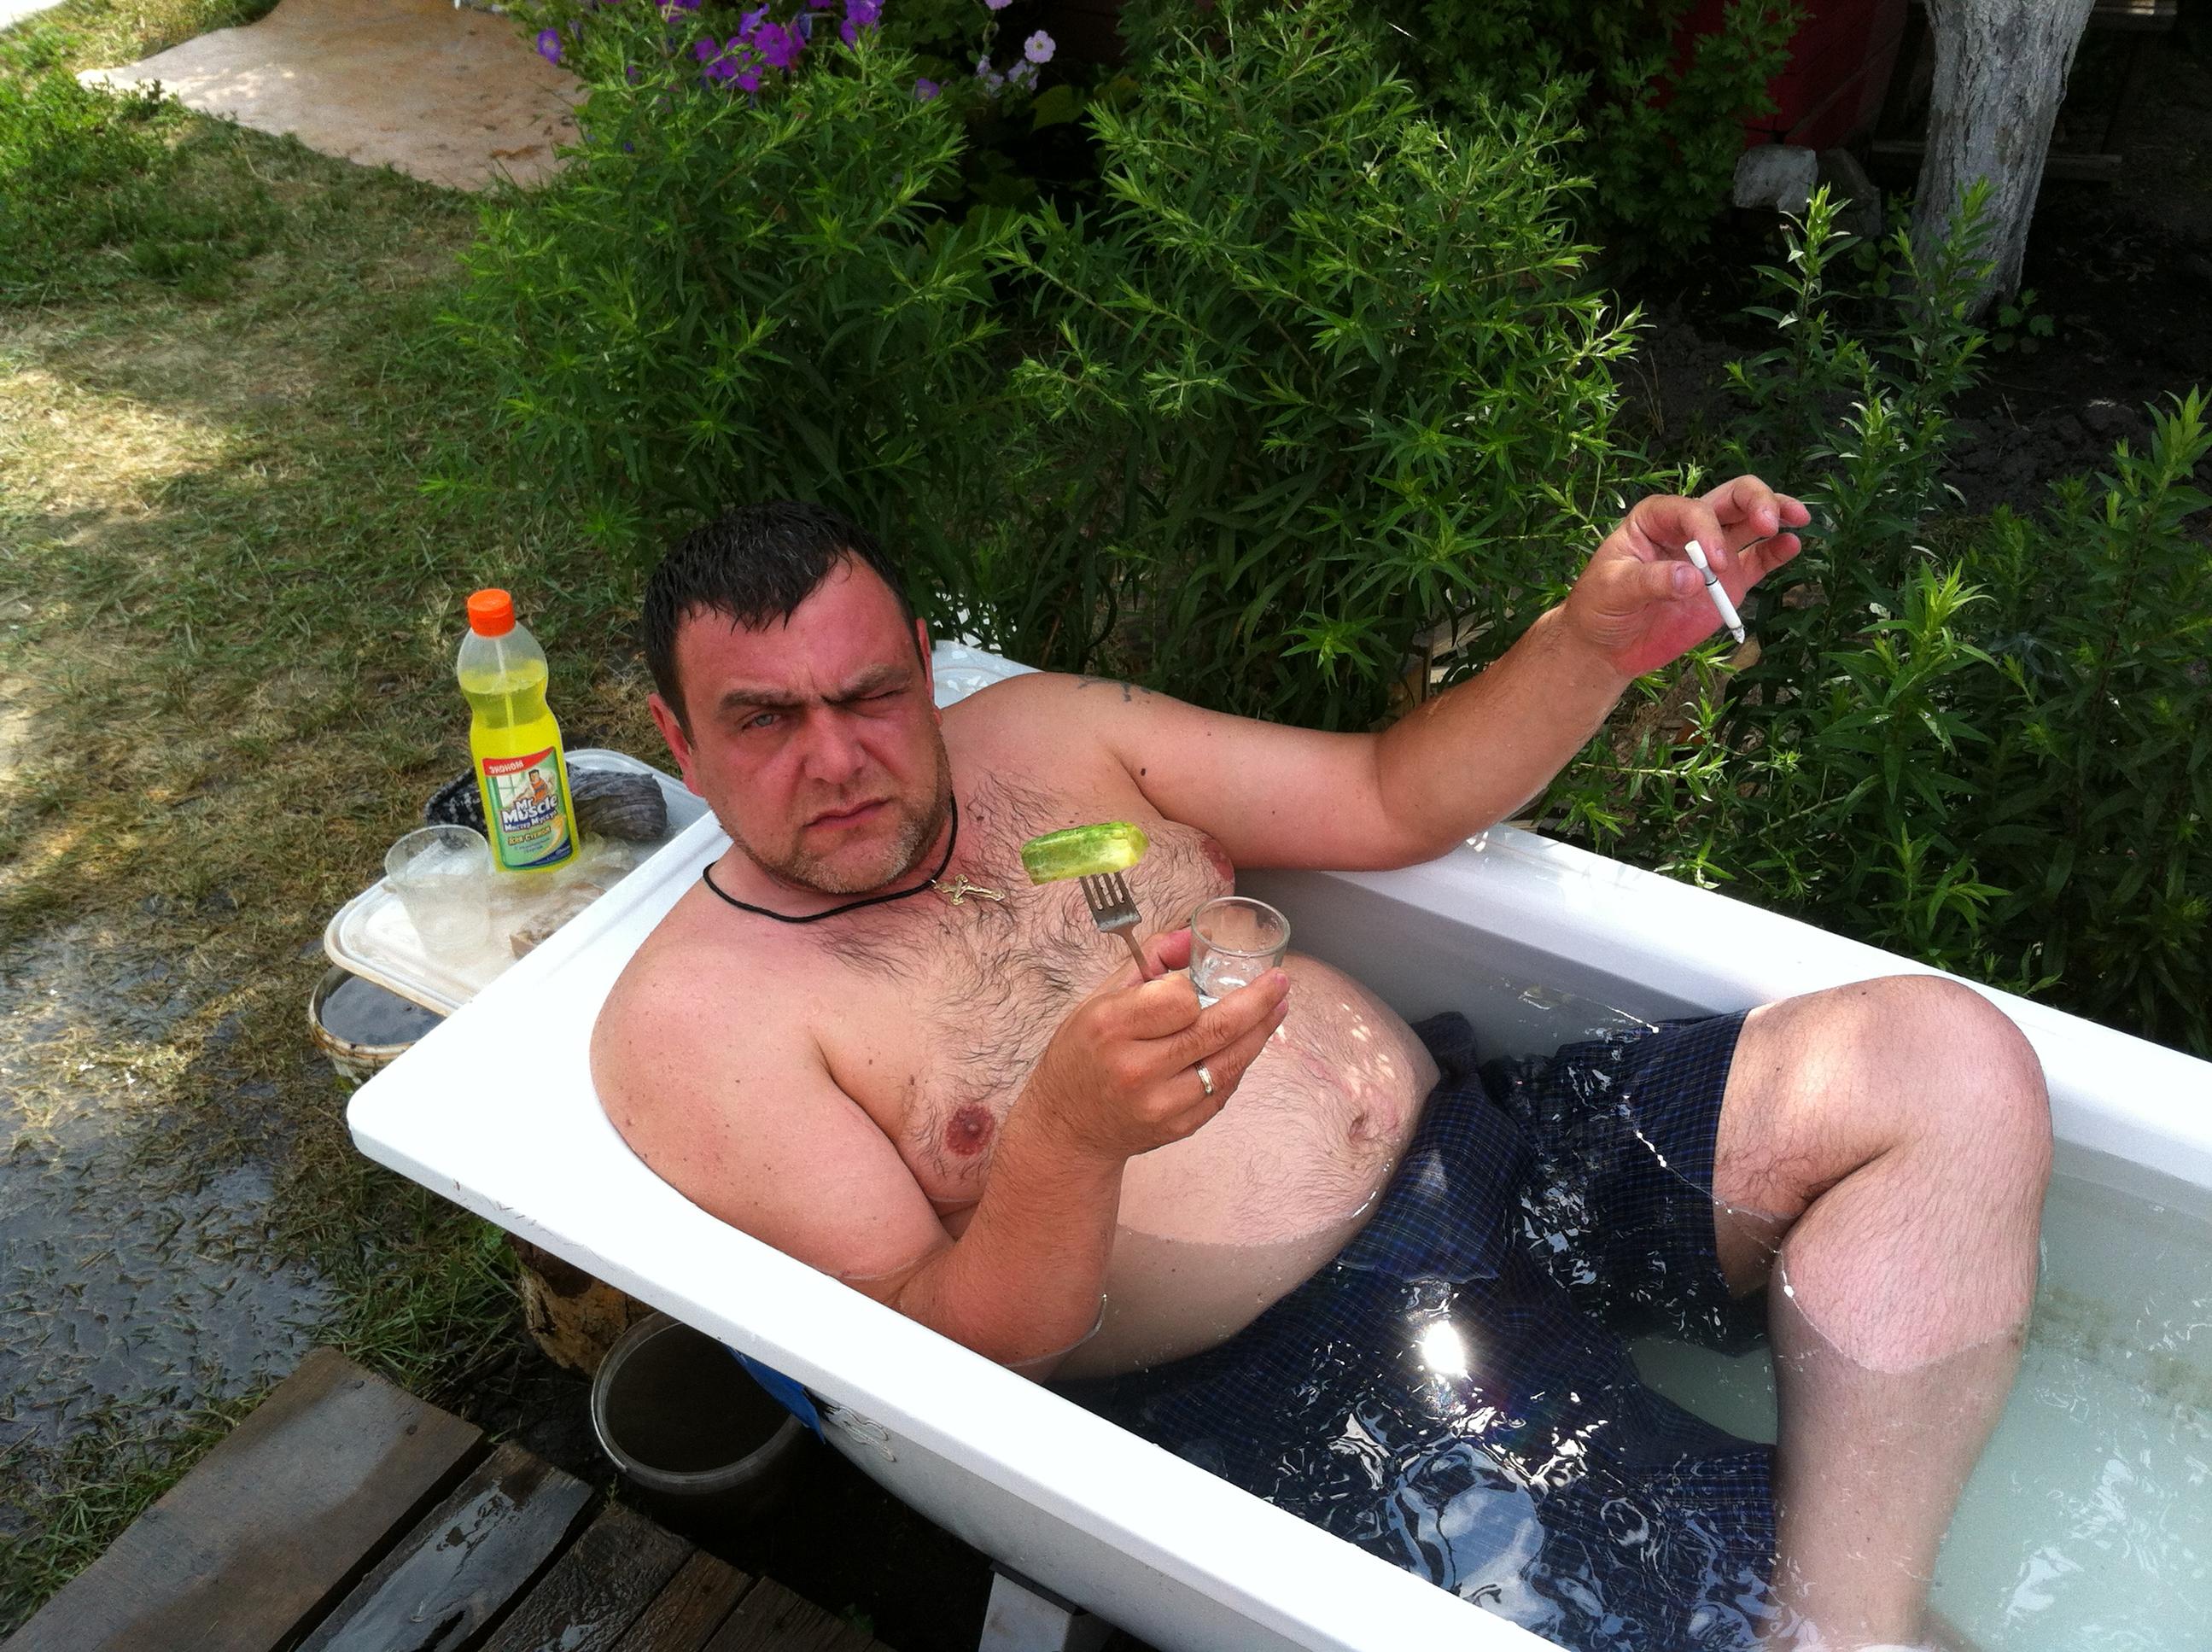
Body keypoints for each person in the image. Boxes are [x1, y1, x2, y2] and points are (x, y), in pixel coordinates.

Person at [592, 491, 2049, 1652]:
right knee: (1704, 1612)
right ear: (677, 740)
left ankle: (1843, 1627)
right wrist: (1065, 1140)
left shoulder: (1046, 735)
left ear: (922, 663)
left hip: (1486, 1157)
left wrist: (1587, 643)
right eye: (764, 720)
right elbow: (947, 1359)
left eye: (867, 695)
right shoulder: (703, 1024)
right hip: (1311, 1377)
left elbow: (1386, 792)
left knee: (1943, 1064)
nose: (837, 759)